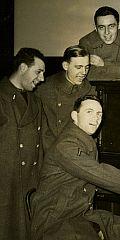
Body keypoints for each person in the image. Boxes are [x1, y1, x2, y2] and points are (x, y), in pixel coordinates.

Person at [30, 95, 120, 240]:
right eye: (89, 112)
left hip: (84, 215)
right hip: (57, 221)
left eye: (99, 114)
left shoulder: (85, 141)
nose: (95, 118)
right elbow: (100, 173)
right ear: (74, 116)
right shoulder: (66, 146)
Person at [0, 48, 46, 239]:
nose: (42, 78)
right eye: (38, 72)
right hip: (6, 184)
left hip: (29, 182)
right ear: (22, 67)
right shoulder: (1, 97)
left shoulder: (35, 100)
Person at [36, 45, 96, 150]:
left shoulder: (89, 90)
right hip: (49, 149)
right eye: (78, 67)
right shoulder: (45, 88)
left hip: (76, 148)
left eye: (87, 67)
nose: (84, 73)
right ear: (65, 66)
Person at [79, 6, 120, 81]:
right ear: (96, 28)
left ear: (119, 25)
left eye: (111, 26)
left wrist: (103, 64)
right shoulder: (86, 42)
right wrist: (117, 70)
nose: (106, 32)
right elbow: (86, 76)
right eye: (102, 27)